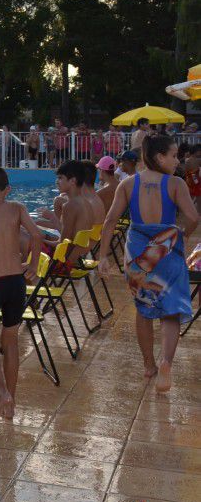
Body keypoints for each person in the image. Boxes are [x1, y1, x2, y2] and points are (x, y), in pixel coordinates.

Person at [97, 135, 198, 393]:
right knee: (170, 310)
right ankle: (166, 362)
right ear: (158, 157)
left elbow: (110, 221)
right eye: (173, 156)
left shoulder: (128, 184)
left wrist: (103, 255)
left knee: (143, 309)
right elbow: (193, 217)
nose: (177, 161)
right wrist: (182, 234)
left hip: (137, 253)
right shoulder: (175, 184)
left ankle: (149, 365)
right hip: (167, 248)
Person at [0, 167, 42, 420]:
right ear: (8, 189)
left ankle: (3, 393)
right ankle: (10, 404)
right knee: (10, 343)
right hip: (15, 281)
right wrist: (33, 265)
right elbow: (37, 234)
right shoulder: (17, 208)